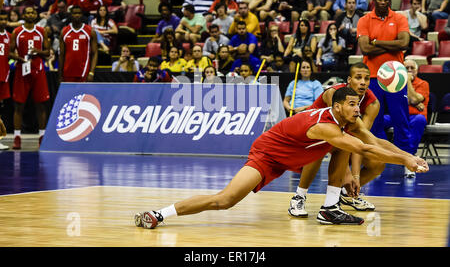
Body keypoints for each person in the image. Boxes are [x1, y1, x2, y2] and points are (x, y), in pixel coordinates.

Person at [134, 86, 429, 229]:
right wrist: (404, 162)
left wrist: (410, 157)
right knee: (224, 201)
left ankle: (329, 209)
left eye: (359, 105)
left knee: (344, 146)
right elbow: (365, 150)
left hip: (295, 154)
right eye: (352, 105)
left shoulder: (343, 121)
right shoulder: (325, 126)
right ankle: (159, 214)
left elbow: (374, 140)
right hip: (267, 156)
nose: (357, 110)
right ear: (337, 106)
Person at [288, 63, 381, 217]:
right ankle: (299, 196)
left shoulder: (372, 103)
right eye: (358, 78)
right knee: (319, 148)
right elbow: (338, 137)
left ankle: (346, 195)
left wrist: (355, 176)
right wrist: (347, 174)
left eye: (366, 78)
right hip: (311, 133)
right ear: (349, 80)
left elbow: (359, 139)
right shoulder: (334, 93)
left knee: (377, 164)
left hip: (341, 138)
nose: (363, 82)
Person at [357, 0, 414, 159]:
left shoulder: (399, 18)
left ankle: (408, 159)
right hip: (373, 78)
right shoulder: (365, 20)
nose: (382, 2)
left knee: (401, 119)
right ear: (374, 0)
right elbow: (365, 48)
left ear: (390, 0)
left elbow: (404, 43)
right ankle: (377, 159)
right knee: (374, 121)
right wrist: (391, 44)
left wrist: (376, 43)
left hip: (396, 77)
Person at [9, 7, 51, 149]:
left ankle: (42, 137)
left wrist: (37, 51)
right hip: (22, 70)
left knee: (41, 105)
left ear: (35, 15)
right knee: (18, 105)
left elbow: (47, 52)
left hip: (38, 71)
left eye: (33, 12)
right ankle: (17, 137)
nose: (30, 14)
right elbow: (9, 53)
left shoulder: (41, 31)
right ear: (24, 15)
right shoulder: (17, 32)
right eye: (28, 12)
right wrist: (20, 58)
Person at [384, 59, 429, 178]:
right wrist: (413, 103)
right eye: (406, 68)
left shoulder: (423, 84)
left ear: (417, 71)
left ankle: (410, 158)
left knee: (419, 120)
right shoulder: (395, 83)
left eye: (412, 68)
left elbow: (413, 99)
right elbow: (410, 101)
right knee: (379, 120)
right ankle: (377, 159)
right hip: (397, 115)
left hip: (415, 116)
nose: (409, 71)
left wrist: (408, 81)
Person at [59, 6, 98, 83]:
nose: (77, 15)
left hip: (84, 71)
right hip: (68, 72)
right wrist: (60, 75)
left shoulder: (90, 31)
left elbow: (95, 53)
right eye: (74, 13)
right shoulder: (64, 31)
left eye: (79, 13)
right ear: (70, 15)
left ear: (82, 15)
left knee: (83, 95)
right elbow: (62, 54)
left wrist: (92, 72)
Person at [0, 10, 10, 150]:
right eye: (0, 19)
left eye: (4, 19)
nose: (2, 21)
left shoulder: (8, 36)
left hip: (3, 76)